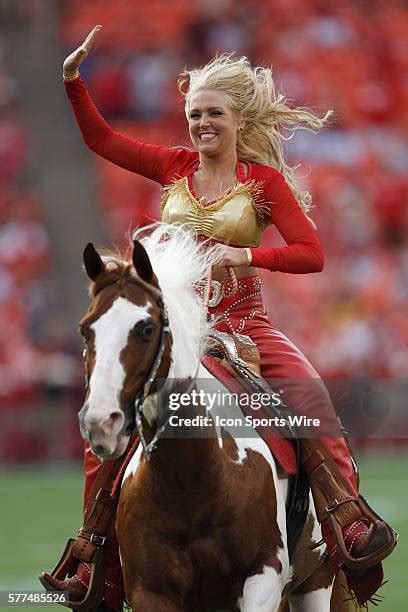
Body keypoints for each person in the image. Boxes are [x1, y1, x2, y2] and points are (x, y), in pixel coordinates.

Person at [40, 26, 396, 611]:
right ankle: (91, 554)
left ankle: (346, 523)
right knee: (108, 423)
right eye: (194, 114)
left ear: (238, 121)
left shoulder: (263, 183)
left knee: (313, 407)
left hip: (246, 327)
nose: (202, 124)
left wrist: (248, 254)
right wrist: (74, 83)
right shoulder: (173, 165)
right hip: (180, 330)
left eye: (213, 114)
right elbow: (102, 140)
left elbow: (313, 253)